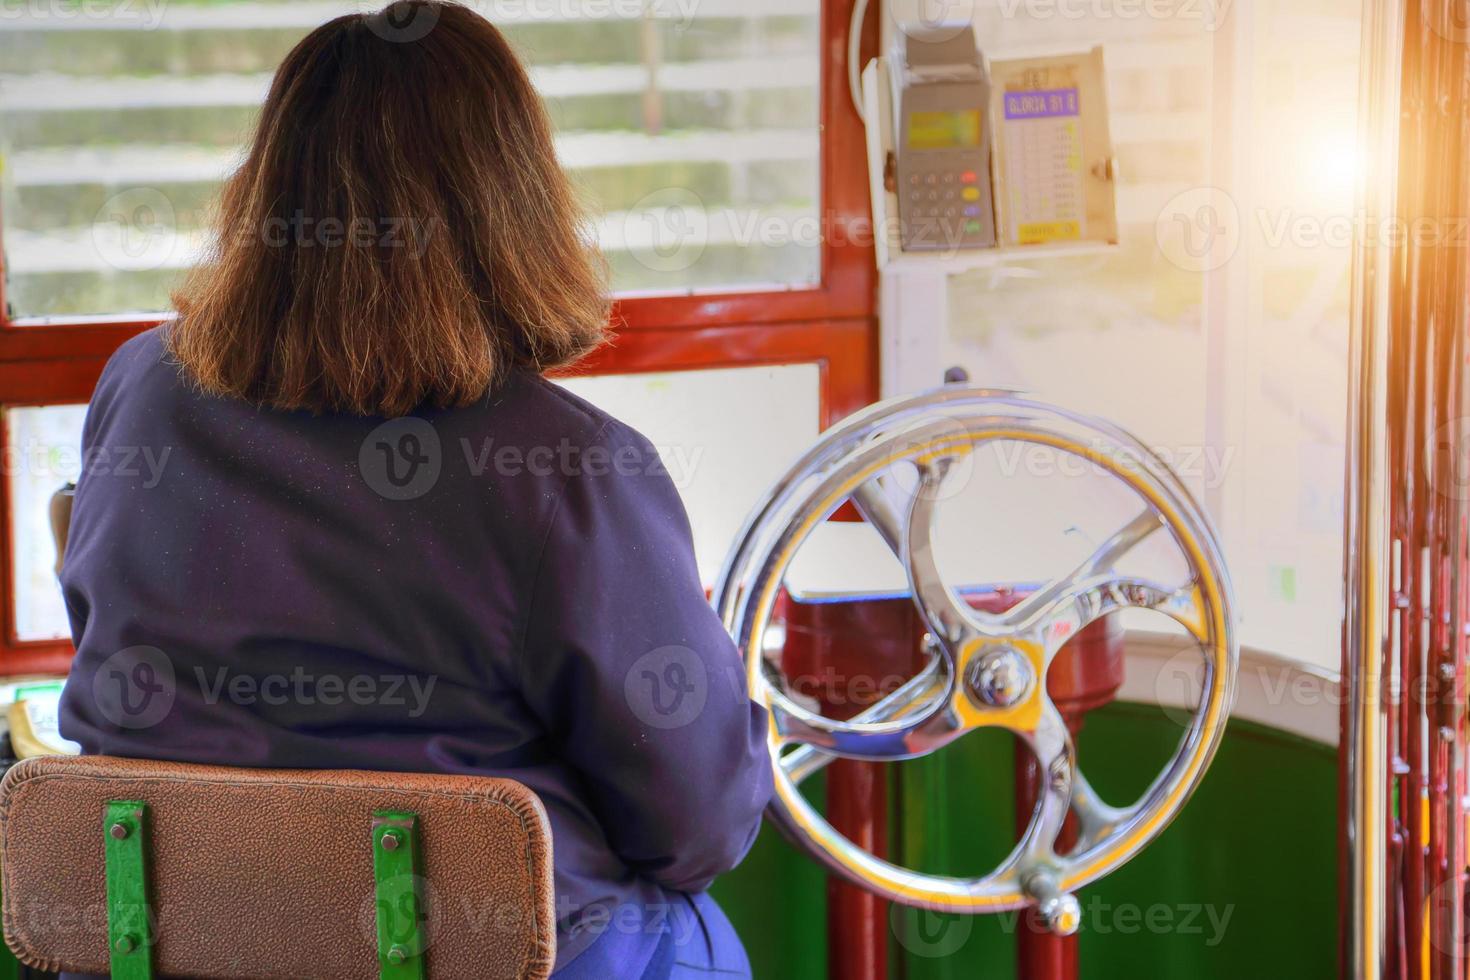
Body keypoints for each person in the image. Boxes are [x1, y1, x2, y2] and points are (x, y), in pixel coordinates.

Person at [57, 3, 772, 976]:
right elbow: (697, 831)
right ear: (513, 203)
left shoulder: (137, 391)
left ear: (268, 189)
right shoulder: (572, 470)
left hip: (170, 947)